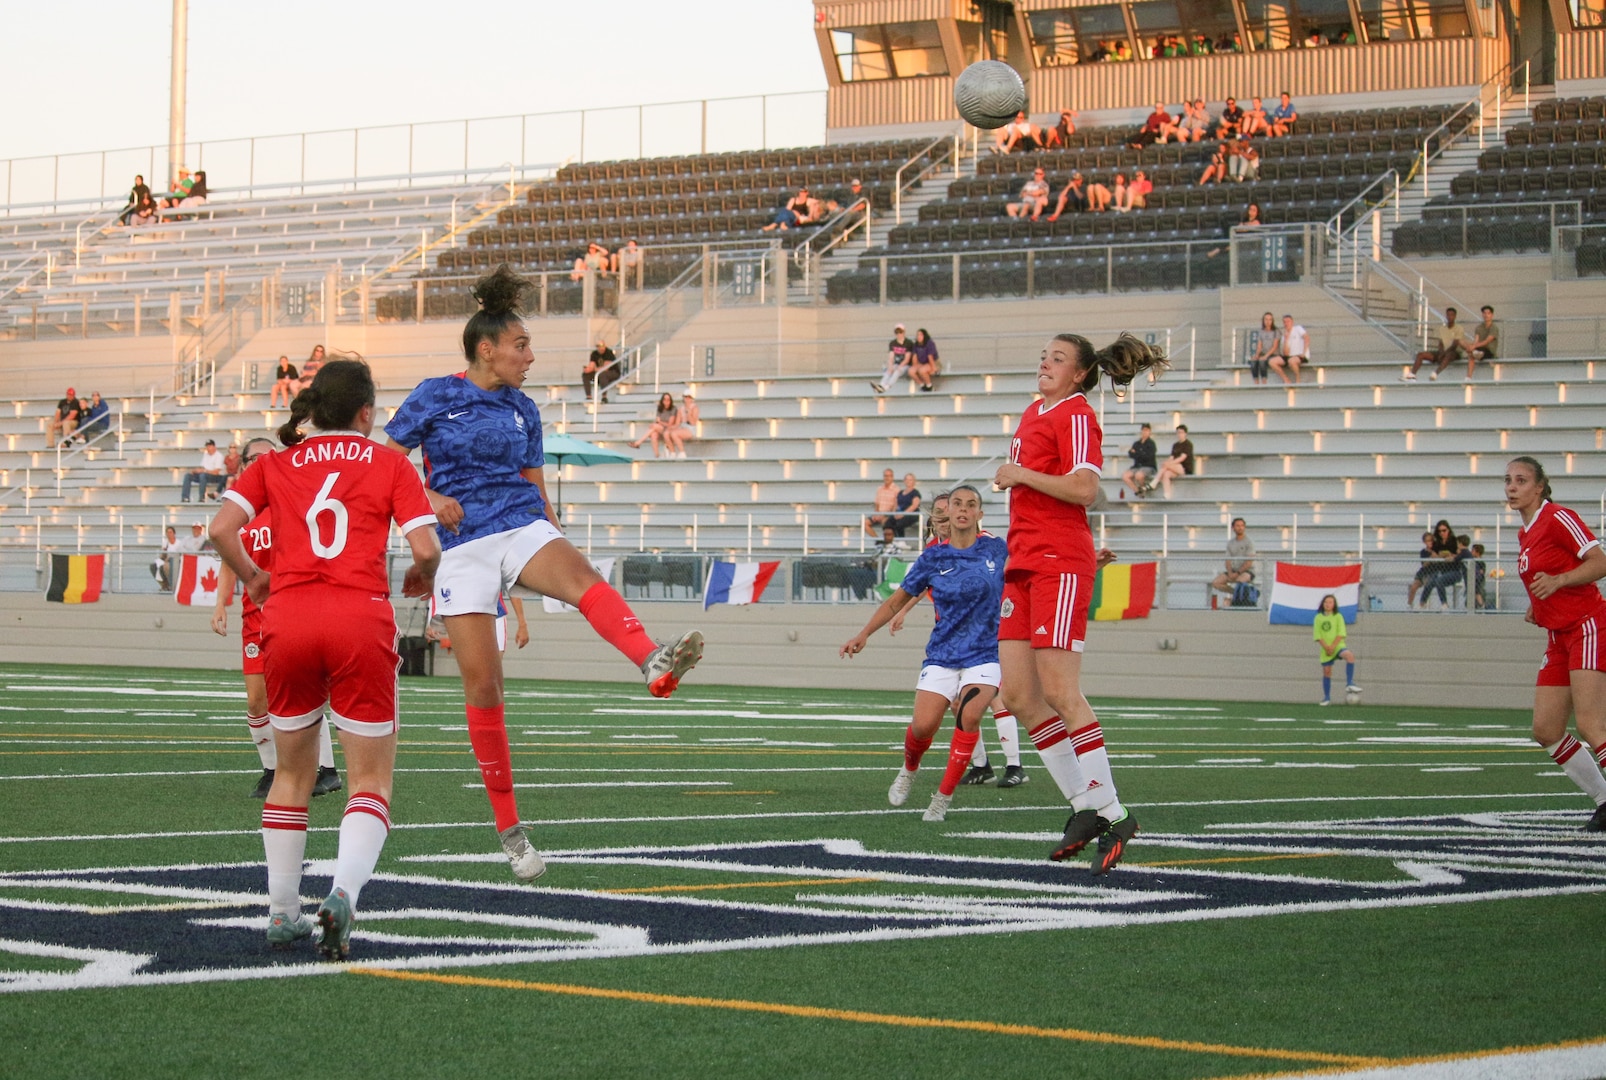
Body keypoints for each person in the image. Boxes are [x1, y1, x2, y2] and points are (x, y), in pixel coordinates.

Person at [384, 265, 705, 881]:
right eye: (521, 345)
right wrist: (425, 498)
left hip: (521, 523)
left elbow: (535, 481)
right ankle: (510, 829)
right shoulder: (434, 394)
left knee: (585, 581)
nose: (530, 357)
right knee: (485, 691)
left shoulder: (524, 408)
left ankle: (652, 661)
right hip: (460, 545)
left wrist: (556, 534)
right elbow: (385, 463)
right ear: (487, 349)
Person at [209, 358, 440, 959]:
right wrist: (420, 575)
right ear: (366, 412)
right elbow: (426, 545)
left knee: (290, 775)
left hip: (287, 619)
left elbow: (219, 529)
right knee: (370, 781)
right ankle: (342, 893)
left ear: (315, 409)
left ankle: (283, 914)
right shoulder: (390, 463)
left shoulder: (274, 462)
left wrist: (254, 579)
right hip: (358, 618)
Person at [993, 332, 1167, 875]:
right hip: (1023, 562)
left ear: (1080, 373)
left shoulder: (1077, 413)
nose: (1045, 361)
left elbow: (1085, 489)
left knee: (1062, 691)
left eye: (1058, 358)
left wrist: (1020, 473)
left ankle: (1112, 813)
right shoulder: (1033, 409)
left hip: (1054, 563)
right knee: (1020, 695)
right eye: (1044, 353)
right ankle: (1086, 808)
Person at [840, 485, 1010, 822]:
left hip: (986, 653)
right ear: (947, 514)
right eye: (957, 504)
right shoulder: (933, 557)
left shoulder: (996, 550)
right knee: (923, 726)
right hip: (943, 653)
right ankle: (908, 769)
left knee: (970, 715)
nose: (962, 510)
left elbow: (1037, 570)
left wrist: (1089, 565)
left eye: (970, 504)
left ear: (979, 514)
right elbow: (896, 601)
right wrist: (864, 633)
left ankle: (942, 798)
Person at [210, 436, 342, 800]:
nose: (258, 464)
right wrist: (220, 603)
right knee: (256, 700)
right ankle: (270, 769)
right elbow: (227, 557)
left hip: (292, 611)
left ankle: (326, 770)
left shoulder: (293, 499)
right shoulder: (241, 511)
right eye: (252, 459)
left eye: (265, 458)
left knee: (303, 694)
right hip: (254, 616)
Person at [1505, 455, 1606, 831]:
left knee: (1593, 727)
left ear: (1539, 487)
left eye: (1521, 480)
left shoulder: (1559, 517)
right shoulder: (1525, 532)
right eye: (1508, 480)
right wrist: (1537, 605)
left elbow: (1600, 562)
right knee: (1546, 730)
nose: (1512, 487)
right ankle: (1604, 800)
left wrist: (1560, 583)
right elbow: (1543, 576)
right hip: (1558, 635)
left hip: (1587, 626)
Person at [1313, 594, 1361, 706]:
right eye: (1326, 602)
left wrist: (1333, 646)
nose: (1328, 604)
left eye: (1330, 602)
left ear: (1334, 605)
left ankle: (1349, 682)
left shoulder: (1338, 616)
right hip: (1326, 648)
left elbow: (1341, 633)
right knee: (1327, 672)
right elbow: (1318, 635)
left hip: (1337, 646)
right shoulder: (1318, 618)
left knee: (1349, 656)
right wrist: (1326, 647)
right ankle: (1327, 697)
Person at [1404, 308, 1468, 381]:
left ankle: (1435, 373)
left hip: (1455, 352)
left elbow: (1455, 344)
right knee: (1421, 354)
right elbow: (1440, 343)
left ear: (1455, 316)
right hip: (1443, 352)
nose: (1450, 317)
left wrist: (1444, 353)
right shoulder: (1442, 328)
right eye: (1448, 315)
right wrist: (1441, 352)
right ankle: (1413, 374)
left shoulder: (1459, 328)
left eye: (1452, 315)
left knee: (1449, 355)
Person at [1210, 517, 1257, 602]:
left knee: (1240, 580)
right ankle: (1235, 593)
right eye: (1238, 525)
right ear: (1233, 528)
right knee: (1216, 583)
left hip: (1247, 571)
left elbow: (1249, 562)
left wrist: (1238, 573)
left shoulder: (1249, 542)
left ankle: (1238, 599)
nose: (1240, 527)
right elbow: (1228, 560)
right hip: (1233, 570)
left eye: (1242, 525)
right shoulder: (1230, 543)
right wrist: (1231, 573)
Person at [1418, 519, 1460, 609]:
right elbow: (1433, 554)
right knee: (1431, 581)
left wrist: (1451, 555)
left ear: (1448, 530)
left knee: (1439, 580)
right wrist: (1437, 556)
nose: (1442, 533)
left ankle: (1444, 604)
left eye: (1444, 530)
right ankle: (1422, 603)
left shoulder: (1454, 541)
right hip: (1442, 570)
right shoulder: (1437, 543)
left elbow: (1461, 554)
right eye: (1439, 531)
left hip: (1454, 571)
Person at [629, 393, 682, 459]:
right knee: (654, 434)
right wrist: (655, 425)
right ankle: (657, 455)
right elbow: (657, 421)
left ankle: (638, 442)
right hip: (661, 430)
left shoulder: (673, 409)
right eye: (665, 399)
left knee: (654, 426)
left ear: (670, 401)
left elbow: (670, 424)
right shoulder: (660, 408)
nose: (666, 401)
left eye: (668, 400)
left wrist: (658, 423)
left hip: (669, 430)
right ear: (662, 401)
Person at [871, 324, 914, 394]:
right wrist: (890, 365)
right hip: (896, 363)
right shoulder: (893, 343)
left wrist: (900, 366)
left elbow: (907, 359)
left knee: (897, 372)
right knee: (889, 370)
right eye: (896, 332)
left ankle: (886, 387)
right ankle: (881, 385)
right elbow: (891, 356)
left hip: (906, 365)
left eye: (900, 332)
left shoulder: (908, 343)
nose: (898, 334)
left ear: (904, 332)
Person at [1156, 423, 1194, 499]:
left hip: (1184, 468)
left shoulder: (1188, 444)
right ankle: (1167, 494)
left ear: (1185, 433)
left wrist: (1169, 464)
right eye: (1178, 433)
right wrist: (1167, 463)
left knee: (1166, 465)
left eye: (1181, 432)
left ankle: (1155, 481)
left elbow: (1182, 458)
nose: (1179, 434)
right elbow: (1171, 457)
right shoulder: (1175, 445)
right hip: (1175, 468)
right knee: (1166, 474)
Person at [1269, 314, 1309, 385]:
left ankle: (1298, 379)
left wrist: (1304, 352)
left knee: (1292, 361)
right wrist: (1286, 340)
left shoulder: (1298, 329)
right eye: (1284, 322)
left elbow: (1307, 338)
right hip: (1290, 356)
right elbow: (1286, 353)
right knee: (1272, 362)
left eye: (1288, 321)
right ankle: (1286, 379)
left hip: (1300, 354)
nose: (1286, 323)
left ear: (1292, 322)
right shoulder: (1284, 336)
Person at [1122, 423, 1158, 497]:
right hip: (1137, 466)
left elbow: (1148, 456)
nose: (1144, 432)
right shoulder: (1137, 443)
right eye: (1143, 430)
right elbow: (1131, 454)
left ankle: (1143, 489)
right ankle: (1138, 491)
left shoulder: (1151, 444)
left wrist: (1137, 453)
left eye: (1146, 430)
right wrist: (1140, 454)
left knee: (1139, 475)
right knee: (1125, 476)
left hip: (1148, 466)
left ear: (1149, 432)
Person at [1466, 304, 1500, 378]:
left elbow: (1487, 341)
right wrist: (1471, 346)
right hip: (1479, 348)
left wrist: (1474, 346)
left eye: (1488, 313)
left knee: (1473, 352)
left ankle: (1476, 354)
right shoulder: (1479, 327)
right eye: (1484, 313)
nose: (1486, 315)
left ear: (1492, 315)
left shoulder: (1494, 328)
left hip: (1489, 351)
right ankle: (1469, 377)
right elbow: (1476, 340)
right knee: (1470, 351)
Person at [1407, 530, 1436, 608]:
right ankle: (1409, 604)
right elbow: (1424, 564)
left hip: (1433, 573)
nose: (1430, 542)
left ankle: (1422, 604)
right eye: (1427, 541)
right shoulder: (1423, 552)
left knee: (1428, 584)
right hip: (1424, 572)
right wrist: (1431, 558)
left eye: (1431, 540)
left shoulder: (1437, 550)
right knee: (1414, 586)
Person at [1248, 311, 1279, 385]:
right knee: (1254, 361)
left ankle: (1264, 381)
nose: (1268, 322)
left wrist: (1266, 356)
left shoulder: (1276, 332)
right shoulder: (1261, 332)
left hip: (1273, 354)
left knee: (1262, 361)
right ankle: (1256, 381)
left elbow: (1275, 347)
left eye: (1270, 319)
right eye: (1266, 319)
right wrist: (1256, 355)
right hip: (1263, 353)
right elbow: (1259, 346)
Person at [865, 468, 899, 537]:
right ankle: (878, 541)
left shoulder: (896, 489)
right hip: (879, 514)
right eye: (885, 476)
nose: (887, 478)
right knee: (864, 523)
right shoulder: (879, 489)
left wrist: (884, 515)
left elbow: (894, 506)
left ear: (892, 477)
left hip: (888, 515)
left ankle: (887, 542)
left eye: (889, 476)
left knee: (886, 522)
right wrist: (876, 514)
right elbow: (877, 504)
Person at [151, 525, 183, 591]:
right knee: (153, 566)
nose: (169, 534)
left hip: (175, 561)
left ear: (174, 533)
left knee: (166, 566)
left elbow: (180, 554)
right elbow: (163, 554)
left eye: (170, 532)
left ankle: (171, 585)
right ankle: (163, 585)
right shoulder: (165, 542)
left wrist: (170, 557)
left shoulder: (179, 543)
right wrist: (162, 554)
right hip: (166, 560)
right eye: (167, 533)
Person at [890, 473, 922, 538]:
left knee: (899, 524)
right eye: (906, 479)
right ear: (904, 481)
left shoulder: (915, 493)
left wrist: (902, 514)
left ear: (914, 481)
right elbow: (896, 504)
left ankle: (901, 541)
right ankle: (894, 541)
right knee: (889, 522)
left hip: (912, 514)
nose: (908, 481)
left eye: (910, 480)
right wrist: (894, 513)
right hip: (900, 513)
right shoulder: (900, 493)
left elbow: (914, 506)